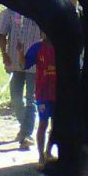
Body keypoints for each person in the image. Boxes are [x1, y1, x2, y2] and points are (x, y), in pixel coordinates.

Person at [0, 7, 41, 150]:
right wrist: (4, 54)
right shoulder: (10, 10)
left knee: (31, 99)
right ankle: (24, 126)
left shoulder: (39, 10)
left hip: (34, 63)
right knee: (15, 97)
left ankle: (27, 134)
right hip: (15, 61)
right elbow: (1, 35)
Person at [24, 33, 57, 167]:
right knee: (43, 123)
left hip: (58, 93)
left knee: (56, 126)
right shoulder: (37, 47)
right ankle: (40, 156)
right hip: (43, 94)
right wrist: (20, 53)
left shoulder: (62, 46)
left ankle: (48, 152)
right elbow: (24, 64)